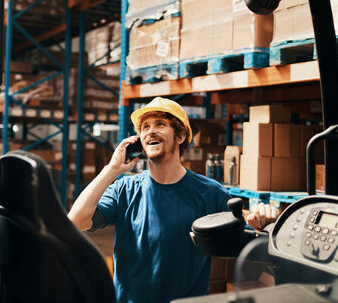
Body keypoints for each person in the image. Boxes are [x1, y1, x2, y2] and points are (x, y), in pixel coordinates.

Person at [68, 97, 278, 303]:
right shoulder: (125, 190)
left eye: (160, 124)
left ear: (180, 136)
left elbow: (246, 232)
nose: (150, 131)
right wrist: (112, 169)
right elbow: (76, 222)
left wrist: (261, 219)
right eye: (145, 127)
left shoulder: (210, 193)